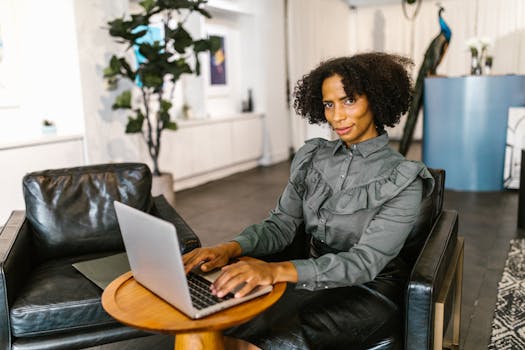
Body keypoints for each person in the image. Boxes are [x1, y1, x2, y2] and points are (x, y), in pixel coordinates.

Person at [183, 52, 435, 349]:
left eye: (349, 100)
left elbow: (364, 263)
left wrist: (276, 270)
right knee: (215, 324)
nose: (336, 116)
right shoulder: (314, 156)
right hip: (309, 273)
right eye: (329, 104)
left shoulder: (403, 177)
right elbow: (281, 224)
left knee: (266, 341)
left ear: (377, 101)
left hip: (370, 289)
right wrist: (229, 248)